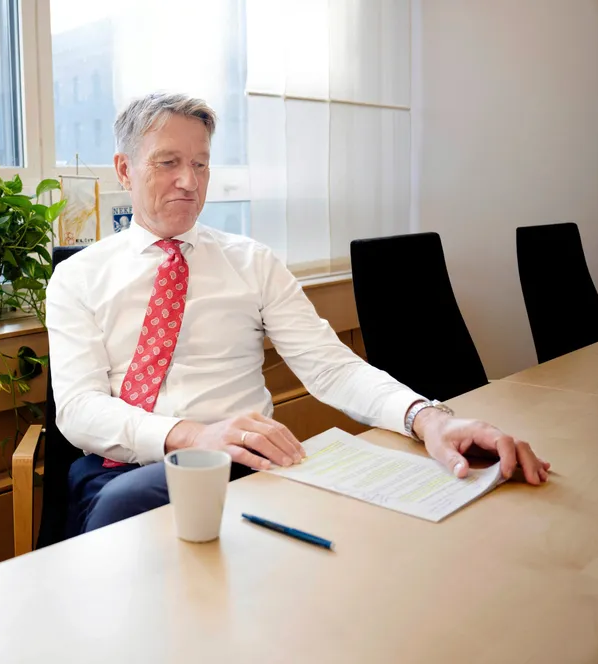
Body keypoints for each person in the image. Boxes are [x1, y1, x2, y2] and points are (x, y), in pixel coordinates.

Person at [45, 92, 550, 536]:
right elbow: (78, 407)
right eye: (168, 162)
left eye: (200, 164)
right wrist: (194, 435)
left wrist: (427, 418)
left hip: (244, 467)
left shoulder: (252, 262)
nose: (188, 181)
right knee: (127, 507)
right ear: (124, 169)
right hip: (120, 476)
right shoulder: (77, 277)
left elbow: (332, 367)